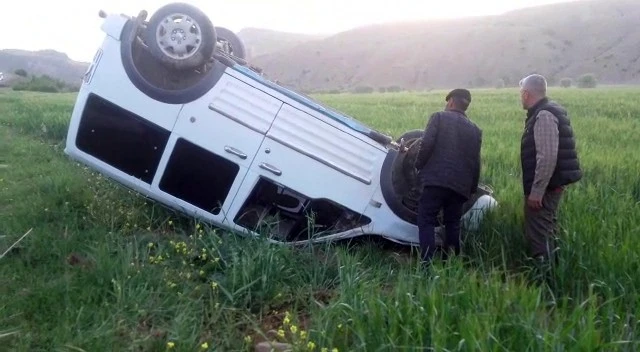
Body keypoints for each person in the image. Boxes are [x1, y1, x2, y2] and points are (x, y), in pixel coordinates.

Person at [414, 88, 483, 265]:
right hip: (460, 186)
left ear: (451, 102)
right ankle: (451, 265)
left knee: (427, 220)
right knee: (453, 223)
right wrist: (472, 189)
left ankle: (427, 265)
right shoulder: (476, 130)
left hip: (436, 181)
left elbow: (426, 144)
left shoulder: (438, 117)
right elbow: (475, 162)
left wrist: (418, 165)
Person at [518, 74, 582, 263]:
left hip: (545, 188)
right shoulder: (550, 110)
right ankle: (555, 271)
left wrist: (536, 191)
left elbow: (547, 156)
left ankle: (545, 277)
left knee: (539, 232)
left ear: (526, 94)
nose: (520, 97)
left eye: (521, 94)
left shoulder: (544, 114)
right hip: (552, 184)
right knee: (548, 227)